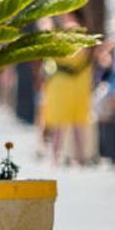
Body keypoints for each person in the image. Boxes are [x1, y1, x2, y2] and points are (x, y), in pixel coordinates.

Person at [40, 12, 93, 166]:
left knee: (61, 124)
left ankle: (58, 158)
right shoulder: (76, 32)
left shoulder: (69, 32)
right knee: (72, 124)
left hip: (65, 83)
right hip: (72, 83)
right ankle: (77, 157)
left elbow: (63, 55)